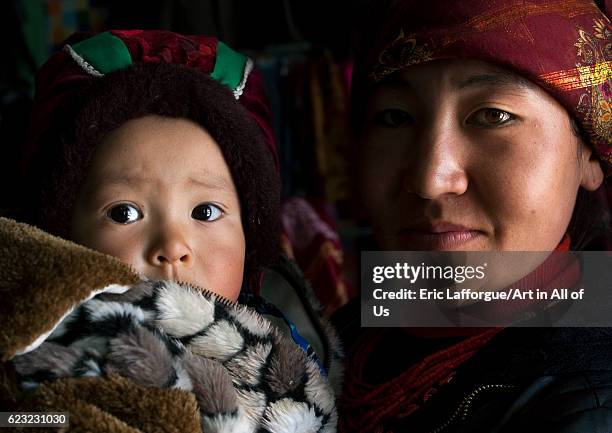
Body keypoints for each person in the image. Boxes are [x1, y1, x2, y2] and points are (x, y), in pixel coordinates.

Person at [0, 30, 338, 432]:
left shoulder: (296, 351)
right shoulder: (34, 361)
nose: (173, 247)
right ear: (59, 235)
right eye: (124, 213)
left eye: (206, 211)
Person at [336, 0, 611, 431]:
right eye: (395, 117)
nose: (431, 179)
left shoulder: (589, 401)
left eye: (493, 116)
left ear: (591, 153)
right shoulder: (341, 334)